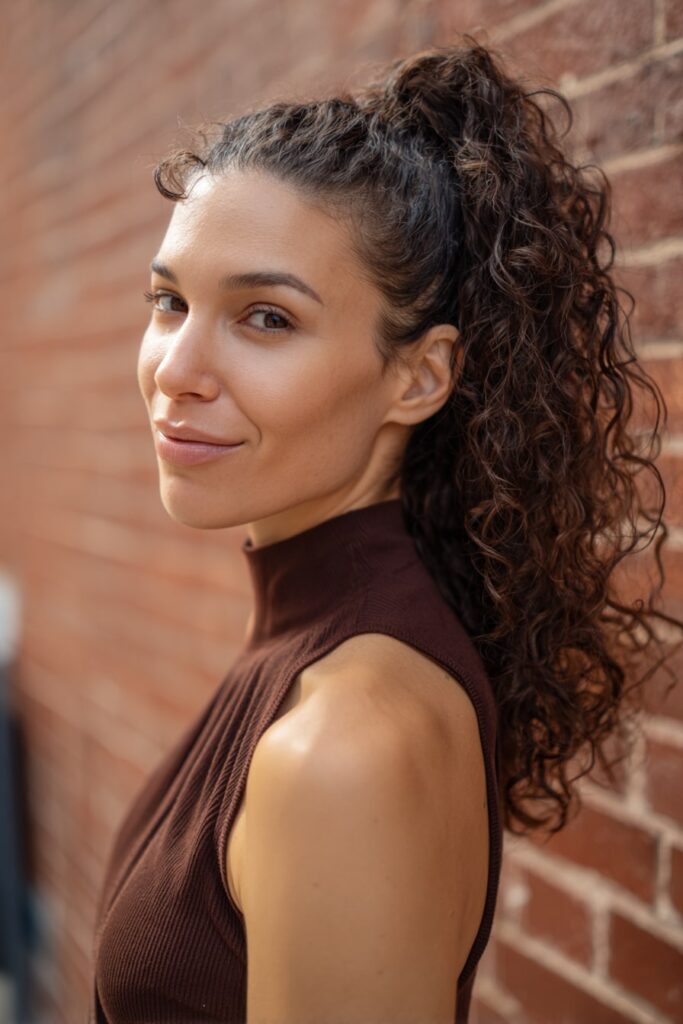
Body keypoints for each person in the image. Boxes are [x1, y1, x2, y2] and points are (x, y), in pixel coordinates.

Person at [90, 36, 683, 1024]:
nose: (176, 369)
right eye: (170, 300)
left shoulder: (343, 745)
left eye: (265, 317)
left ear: (419, 376)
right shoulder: (320, 645)